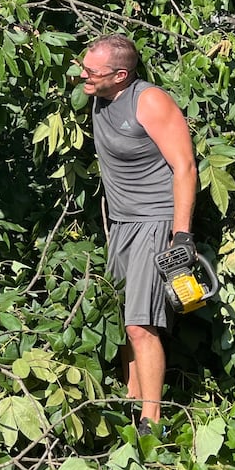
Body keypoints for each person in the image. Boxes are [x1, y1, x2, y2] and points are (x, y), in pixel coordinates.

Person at [80, 34, 196, 436]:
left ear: (121, 75)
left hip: (154, 221)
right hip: (122, 223)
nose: (83, 76)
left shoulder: (149, 101)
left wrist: (181, 237)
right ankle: (130, 399)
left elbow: (185, 167)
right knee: (123, 314)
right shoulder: (98, 93)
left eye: (91, 72)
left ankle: (152, 422)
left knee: (140, 325)